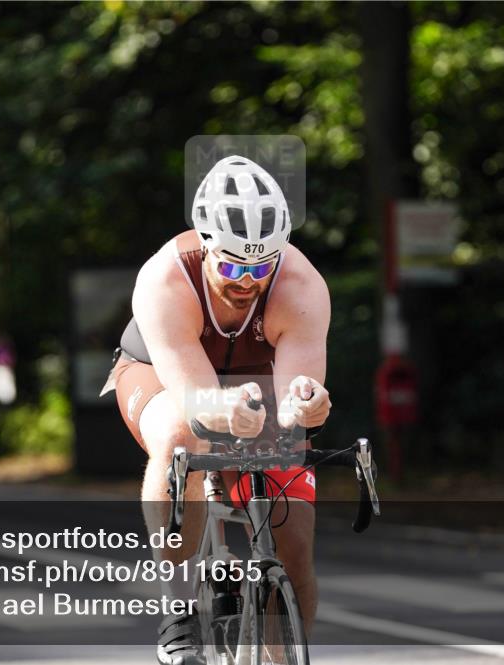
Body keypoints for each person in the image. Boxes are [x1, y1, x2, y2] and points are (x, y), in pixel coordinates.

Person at [104, 156, 332, 665]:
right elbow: (195, 400)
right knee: (182, 436)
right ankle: (178, 609)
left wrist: (307, 405)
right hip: (162, 375)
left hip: (256, 381)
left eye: (261, 267)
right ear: (205, 244)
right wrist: (220, 410)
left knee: (295, 547)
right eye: (230, 266)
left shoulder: (301, 285)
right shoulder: (165, 279)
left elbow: (295, 398)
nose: (246, 280)